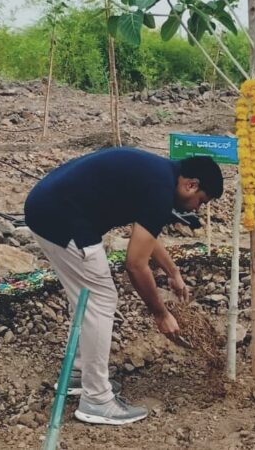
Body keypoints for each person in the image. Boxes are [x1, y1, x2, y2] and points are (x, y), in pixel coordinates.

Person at [24, 148, 222, 425]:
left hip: (45, 207)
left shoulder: (158, 175)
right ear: (192, 184)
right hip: (62, 219)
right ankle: (97, 400)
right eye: (201, 201)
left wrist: (173, 272)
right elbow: (135, 264)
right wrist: (160, 313)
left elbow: (145, 235)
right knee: (101, 300)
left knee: (86, 298)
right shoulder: (160, 190)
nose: (196, 209)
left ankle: (79, 375)